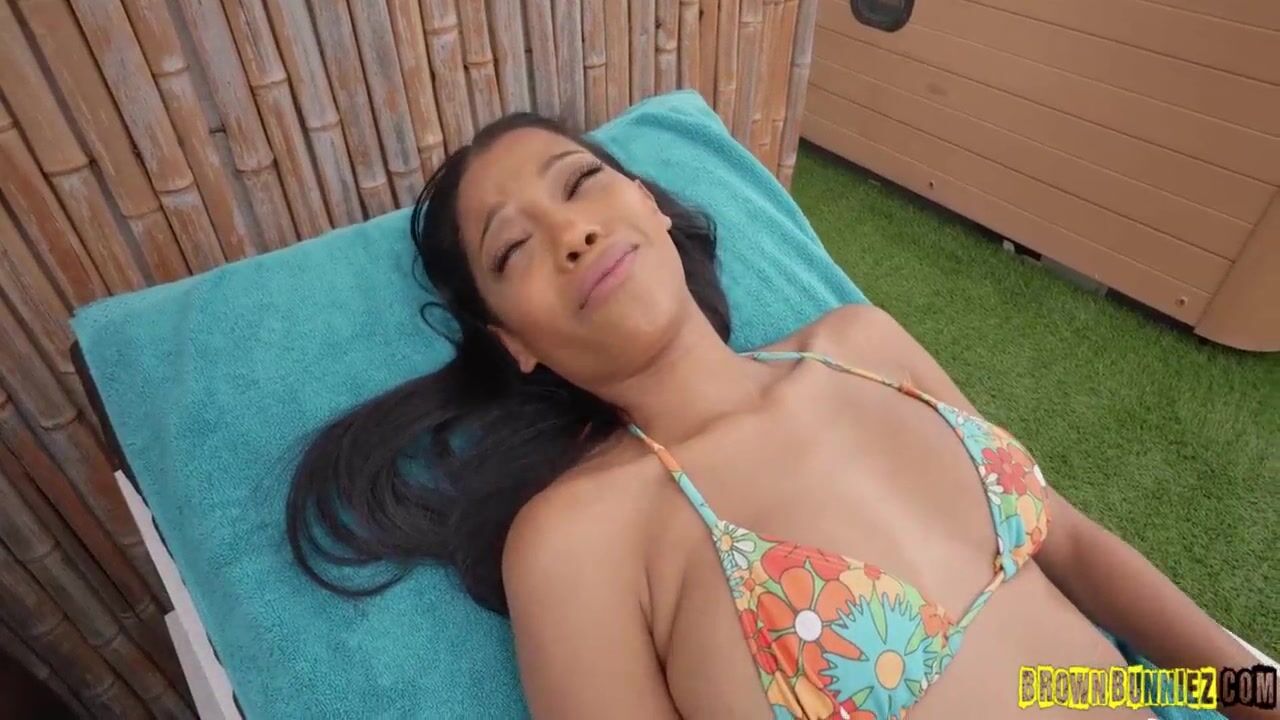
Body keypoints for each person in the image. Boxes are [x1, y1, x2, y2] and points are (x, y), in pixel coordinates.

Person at [286, 113, 1265, 720]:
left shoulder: (862, 345)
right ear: (514, 343)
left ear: (647, 203)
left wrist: (1253, 693)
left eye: (580, 183)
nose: (571, 231)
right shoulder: (580, 538)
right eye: (514, 250)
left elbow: (1068, 547)